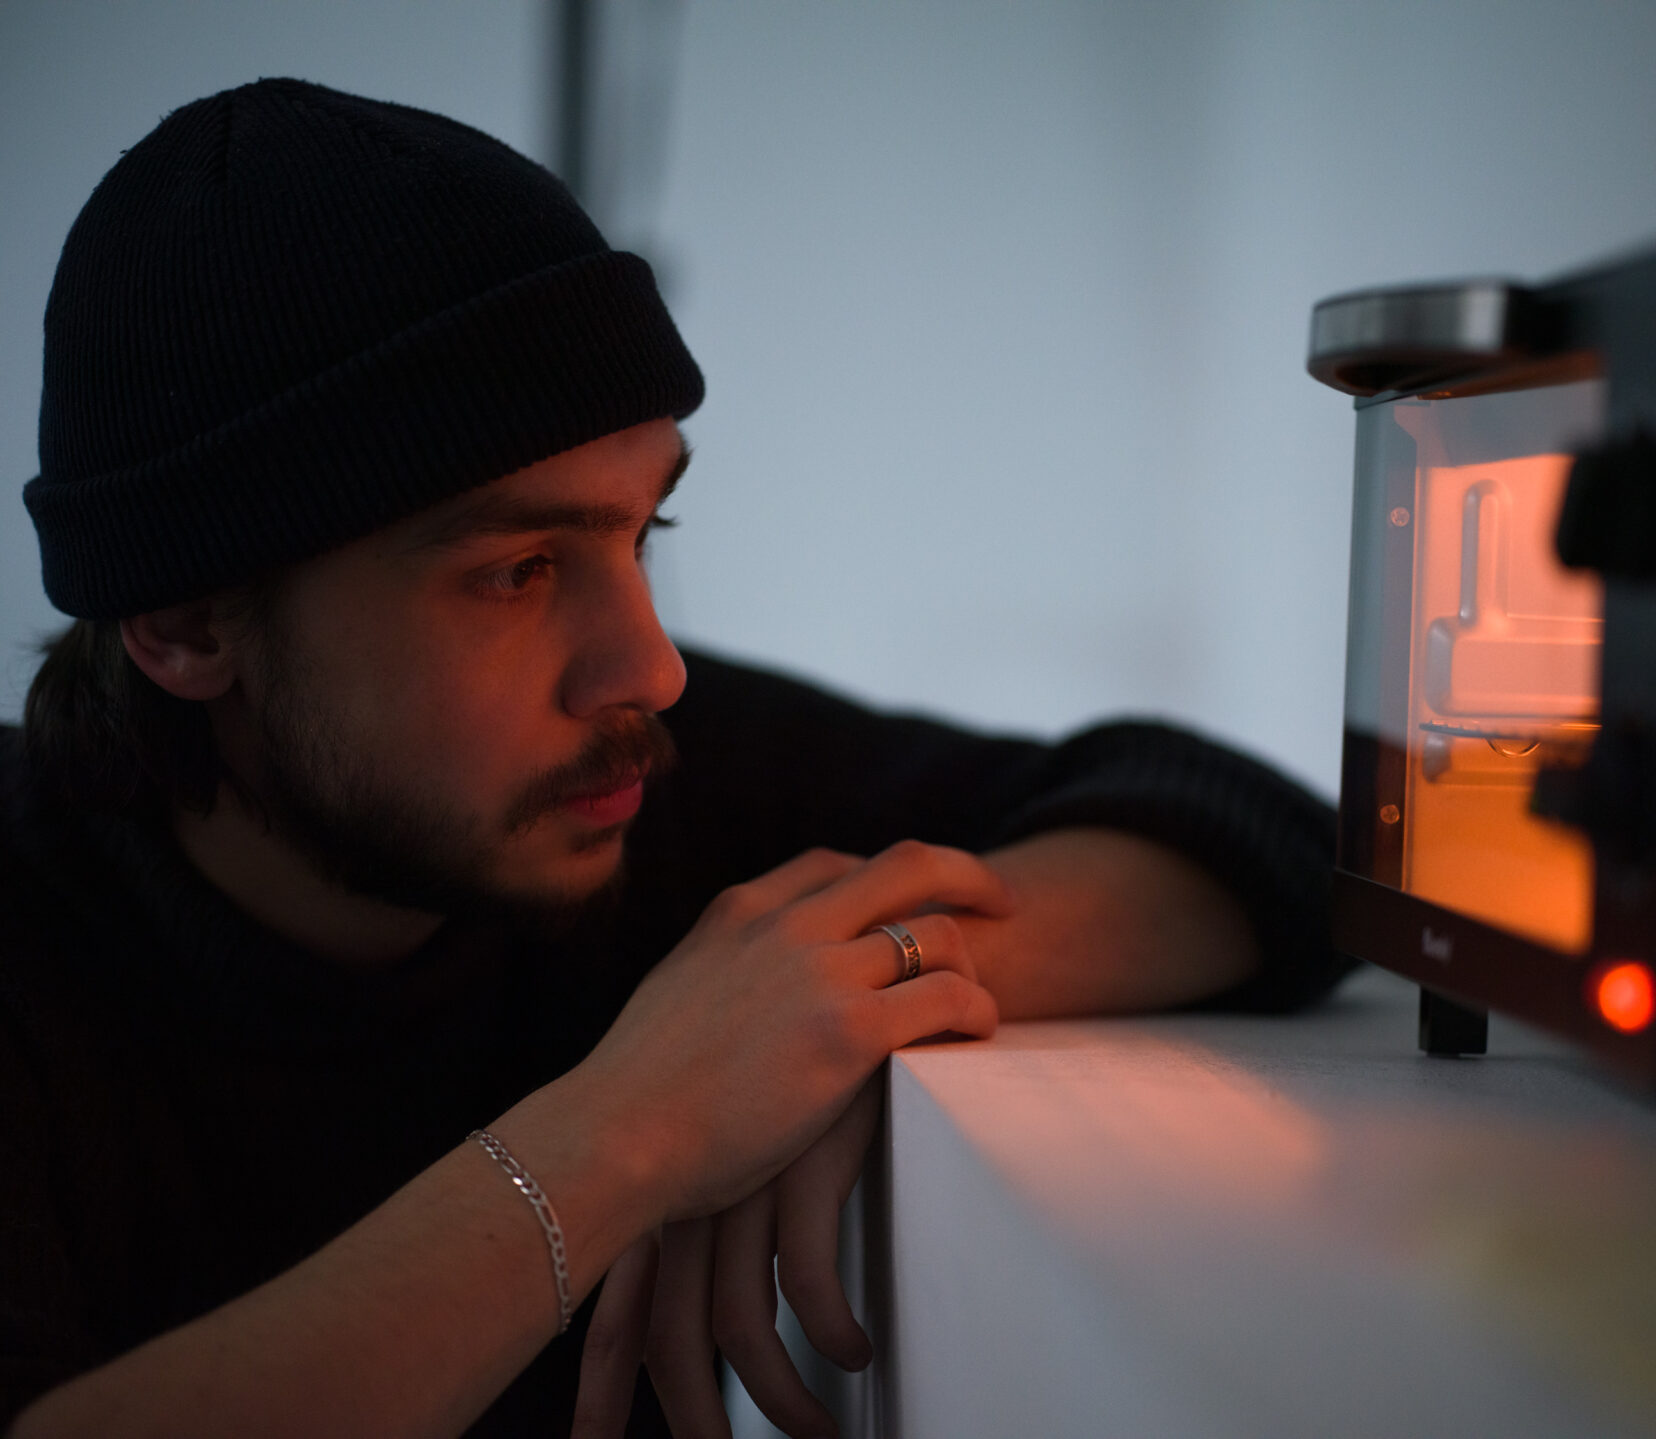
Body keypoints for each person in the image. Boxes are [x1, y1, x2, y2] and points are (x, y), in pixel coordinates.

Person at [0, 79, 1345, 1438]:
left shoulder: (626, 786)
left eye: (646, 533)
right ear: (185, 625)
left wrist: (822, 1010)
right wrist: (638, 1130)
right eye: (519, 570)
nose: (651, 671)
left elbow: (1259, 839)